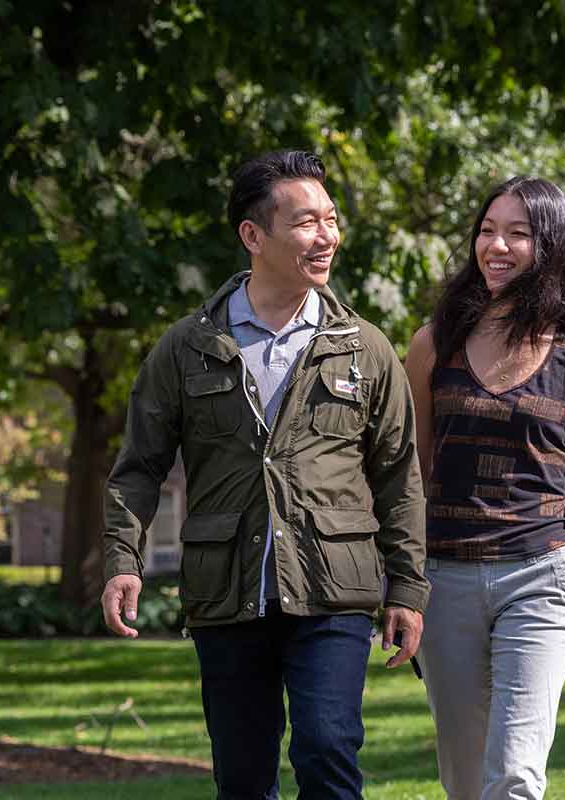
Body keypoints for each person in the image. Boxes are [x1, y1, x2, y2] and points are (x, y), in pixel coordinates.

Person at [100, 150, 429, 800]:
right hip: (227, 593)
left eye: (331, 220)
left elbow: (398, 476)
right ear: (254, 235)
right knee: (244, 777)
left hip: (333, 590)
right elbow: (139, 465)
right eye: (306, 222)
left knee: (327, 750)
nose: (327, 235)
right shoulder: (187, 346)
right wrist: (122, 558)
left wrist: (408, 588)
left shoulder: (364, 347)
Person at [404, 176, 565, 800]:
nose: (496, 246)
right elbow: (413, 474)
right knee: (465, 779)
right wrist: (405, 583)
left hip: (541, 577)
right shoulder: (431, 345)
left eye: (518, 234)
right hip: (445, 580)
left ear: (550, 246)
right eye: (488, 230)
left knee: (518, 774)